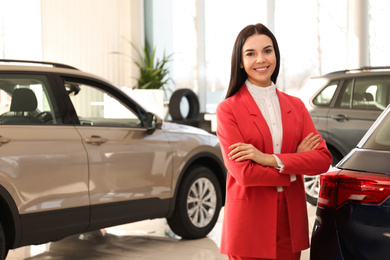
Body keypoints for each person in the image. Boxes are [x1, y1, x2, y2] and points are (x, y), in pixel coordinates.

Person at [216, 23, 332, 260]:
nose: (261, 59)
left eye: (267, 51)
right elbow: (244, 173)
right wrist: (294, 166)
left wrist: (267, 159)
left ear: (275, 55)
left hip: (290, 220)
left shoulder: (296, 106)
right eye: (251, 53)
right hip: (249, 223)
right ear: (240, 62)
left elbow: (322, 160)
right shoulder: (228, 110)